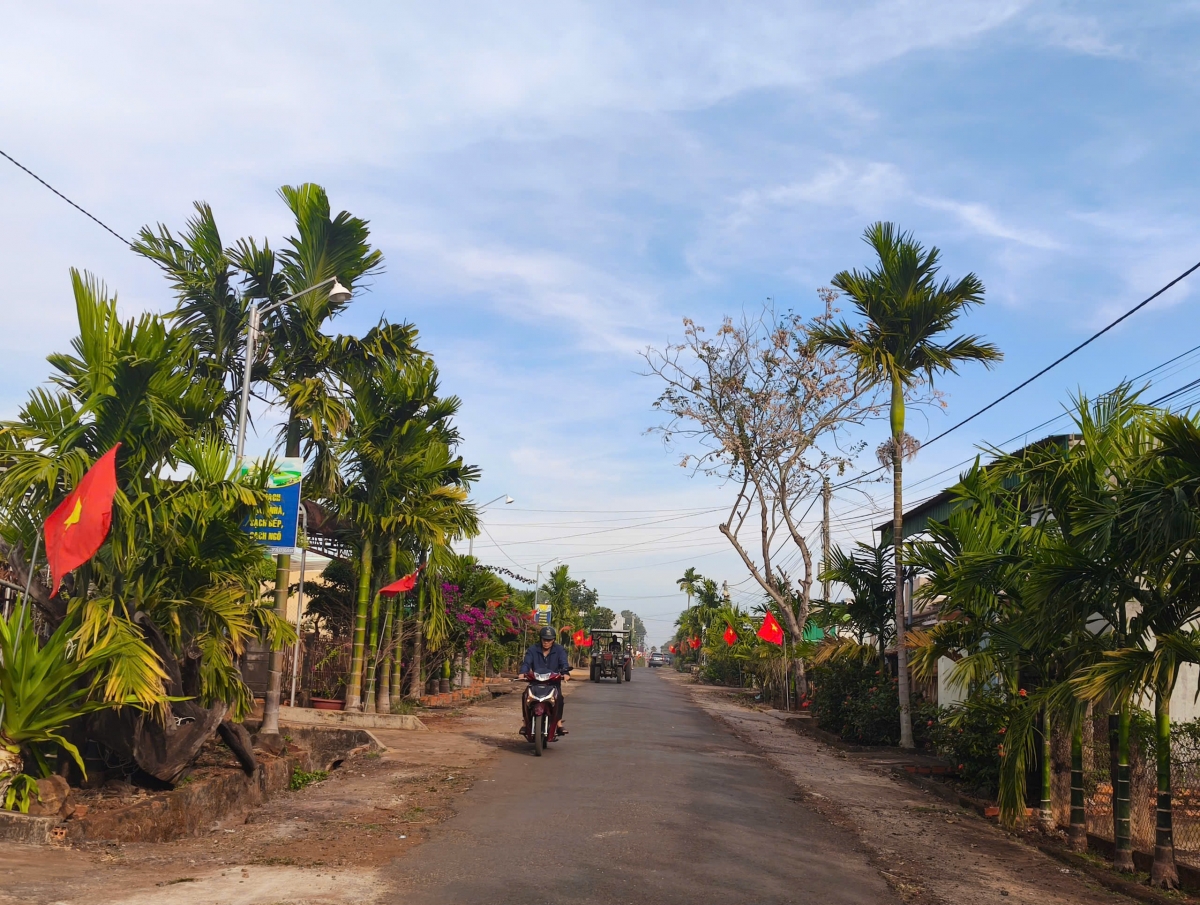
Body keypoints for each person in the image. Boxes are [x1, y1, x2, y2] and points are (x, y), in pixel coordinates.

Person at [518, 625, 572, 734]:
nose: (546, 642)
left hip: (553, 683)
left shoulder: (559, 650)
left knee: (559, 698)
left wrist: (565, 673)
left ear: (553, 640)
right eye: (544, 639)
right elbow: (527, 663)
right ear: (540, 639)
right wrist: (522, 673)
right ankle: (525, 722)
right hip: (535, 682)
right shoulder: (533, 649)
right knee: (525, 696)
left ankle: (558, 722)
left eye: (549, 640)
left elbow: (563, 663)